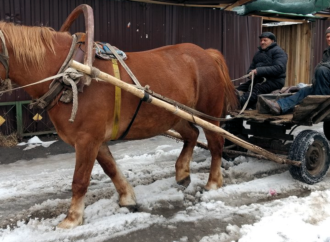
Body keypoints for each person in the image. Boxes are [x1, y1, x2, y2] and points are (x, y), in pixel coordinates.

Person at [261, 27, 330, 115]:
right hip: (324, 86)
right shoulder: (327, 52)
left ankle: (321, 105)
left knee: (322, 70)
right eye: (327, 36)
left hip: (326, 90)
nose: (329, 39)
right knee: (304, 91)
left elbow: (324, 70)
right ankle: (279, 106)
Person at [237, 32, 288, 108]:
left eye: (265, 40)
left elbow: (279, 68)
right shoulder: (258, 53)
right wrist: (250, 74)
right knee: (239, 89)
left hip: (274, 81)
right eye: (261, 40)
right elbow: (251, 67)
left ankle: (239, 104)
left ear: (272, 41)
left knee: (256, 90)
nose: (262, 42)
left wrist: (258, 71)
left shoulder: (279, 52)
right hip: (258, 80)